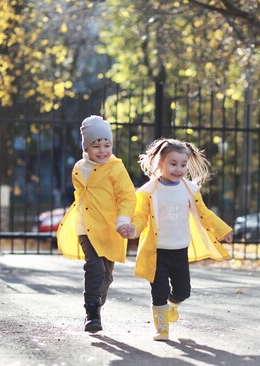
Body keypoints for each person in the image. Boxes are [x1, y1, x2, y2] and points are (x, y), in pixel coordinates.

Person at [130, 138, 233, 341]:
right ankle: (161, 329)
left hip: (179, 250)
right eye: (173, 163)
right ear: (159, 163)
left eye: (183, 165)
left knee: (183, 291)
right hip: (157, 251)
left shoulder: (189, 190)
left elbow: (204, 214)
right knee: (159, 290)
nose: (179, 169)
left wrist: (222, 230)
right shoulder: (148, 192)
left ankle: (172, 306)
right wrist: (133, 228)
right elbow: (140, 216)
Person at [56, 115, 136, 333]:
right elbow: (81, 196)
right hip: (86, 226)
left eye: (107, 144)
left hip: (110, 228)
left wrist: (123, 220)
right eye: (96, 145)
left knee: (106, 274)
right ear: (86, 147)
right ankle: (91, 311)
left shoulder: (116, 168)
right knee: (95, 266)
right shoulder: (79, 168)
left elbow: (127, 196)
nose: (102, 150)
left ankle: (97, 304)